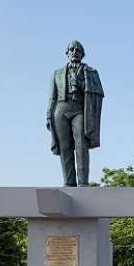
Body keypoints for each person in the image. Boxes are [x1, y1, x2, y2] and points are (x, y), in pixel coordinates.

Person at [46, 40, 104, 186]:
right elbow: (52, 97)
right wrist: (48, 115)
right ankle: (69, 183)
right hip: (60, 110)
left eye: (78, 50)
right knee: (65, 148)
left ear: (82, 54)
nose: (74, 52)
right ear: (67, 53)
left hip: (79, 109)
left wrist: (83, 84)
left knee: (81, 146)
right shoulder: (57, 74)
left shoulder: (90, 72)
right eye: (71, 49)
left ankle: (83, 183)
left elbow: (98, 92)